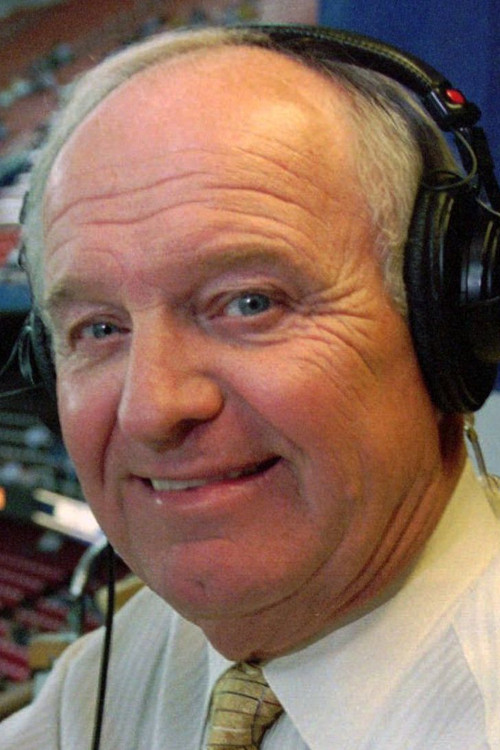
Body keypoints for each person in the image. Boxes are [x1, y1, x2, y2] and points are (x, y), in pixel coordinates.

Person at [2, 23, 500, 749]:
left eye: (248, 303)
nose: (151, 409)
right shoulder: (116, 672)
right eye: (100, 328)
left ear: (443, 321)